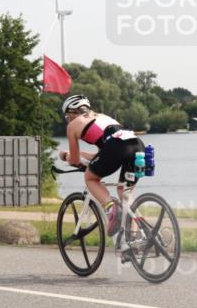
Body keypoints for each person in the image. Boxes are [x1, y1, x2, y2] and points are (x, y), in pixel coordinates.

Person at [58, 94, 144, 235]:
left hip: (116, 146)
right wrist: (82, 156)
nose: (68, 120)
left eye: (67, 116)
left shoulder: (73, 125)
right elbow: (101, 156)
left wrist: (65, 155)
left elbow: (74, 161)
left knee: (91, 178)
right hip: (136, 144)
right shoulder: (101, 116)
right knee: (125, 193)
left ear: (73, 112)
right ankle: (134, 237)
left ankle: (111, 209)